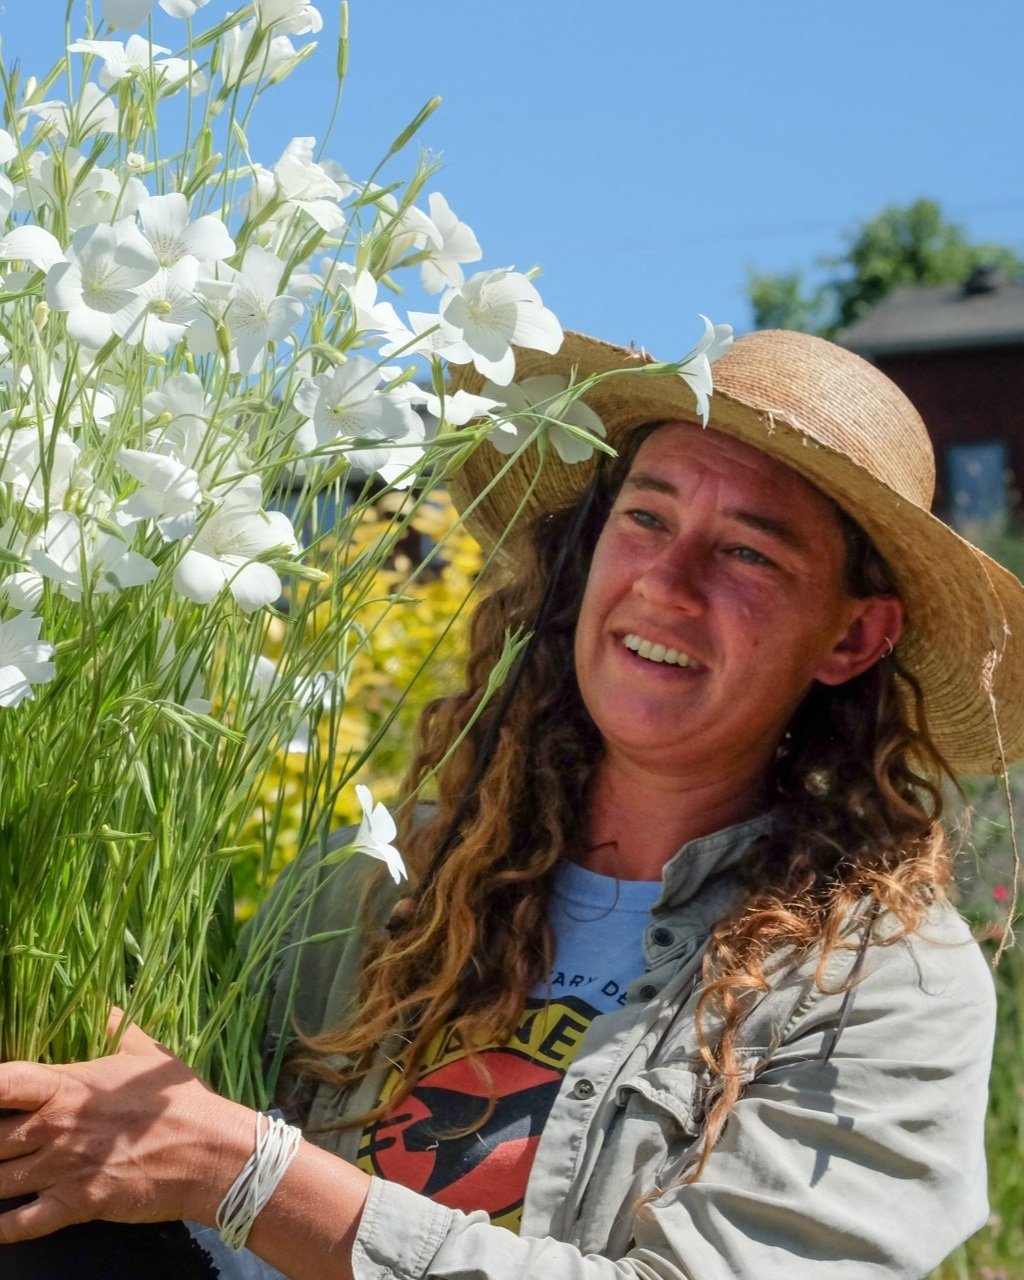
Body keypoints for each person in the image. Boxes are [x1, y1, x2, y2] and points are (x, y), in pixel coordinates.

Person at [1, 327, 1022, 1280]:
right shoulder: (367, 888)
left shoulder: (876, 986)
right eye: (647, 518)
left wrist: (248, 1171)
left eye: (749, 552)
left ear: (851, 638)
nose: (665, 584)